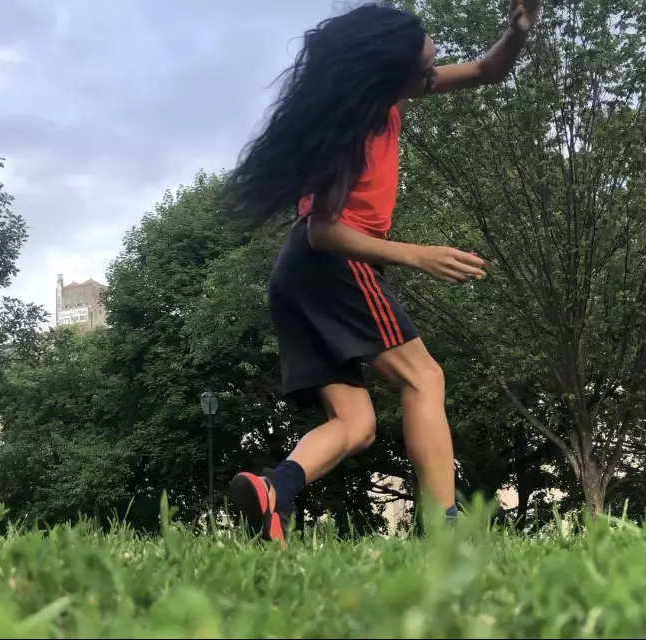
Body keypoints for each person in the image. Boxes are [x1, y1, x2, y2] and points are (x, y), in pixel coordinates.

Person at [223, 0, 541, 548]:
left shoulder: (380, 96)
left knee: (358, 424)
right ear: (387, 70)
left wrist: (520, 27)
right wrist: (415, 254)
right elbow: (324, 230)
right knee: (425, 378)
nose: (431, 69)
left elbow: (490, 71)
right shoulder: (352, 129)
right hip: (330, 262)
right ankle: (443, 529)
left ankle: (274, 489)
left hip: (295, 275)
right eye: (422, 62)